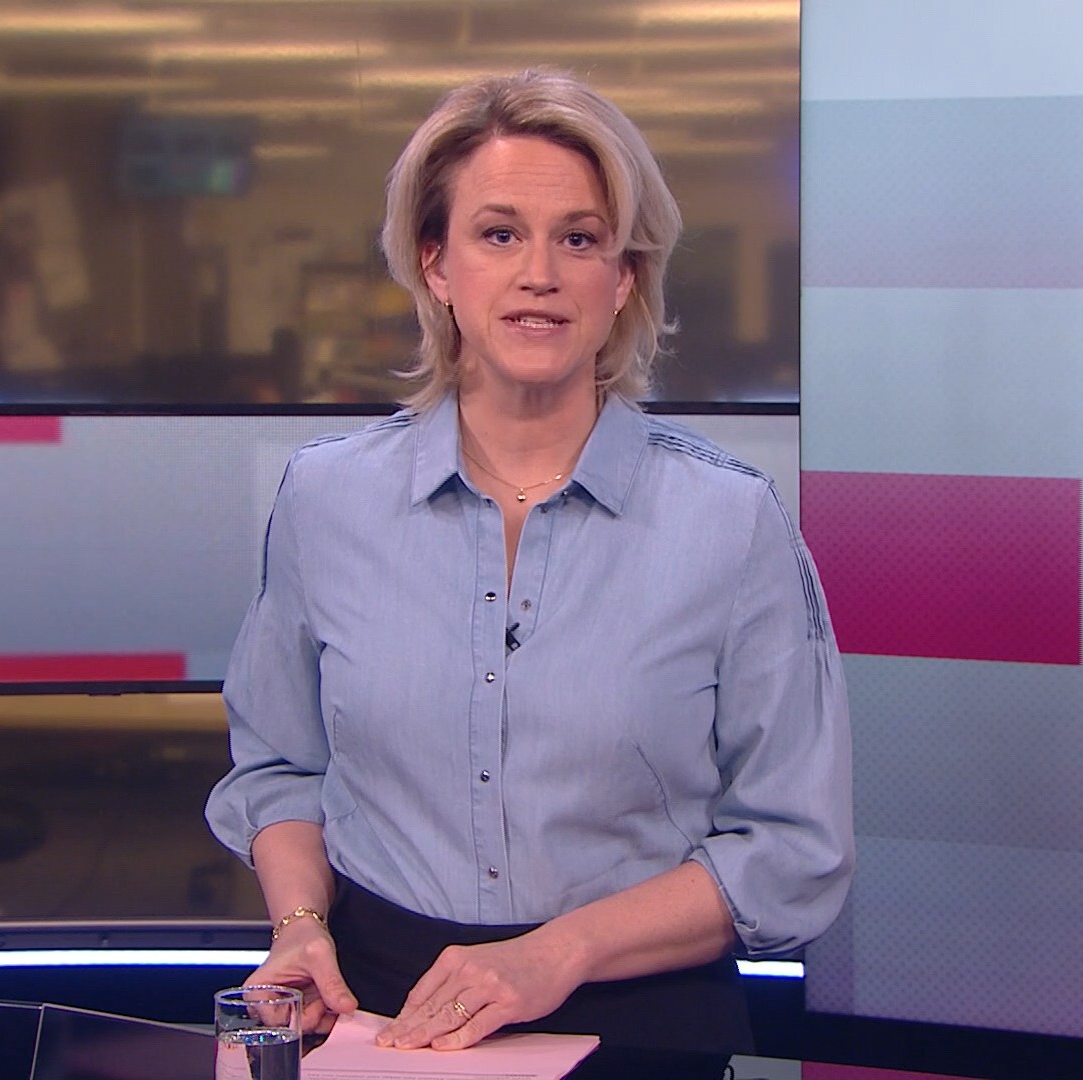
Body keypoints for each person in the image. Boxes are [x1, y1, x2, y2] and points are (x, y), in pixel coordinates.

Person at [205, 69, 853, 1075]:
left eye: (580, 239)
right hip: (385, 1021)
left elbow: (794, 848)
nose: (540, 273)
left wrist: (562, 951)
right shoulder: (325, 500)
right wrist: (298, 924)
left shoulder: (732, 522)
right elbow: (280, 766)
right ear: (436, 264)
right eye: (500, 233)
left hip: (639, 1023)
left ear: (625, 277)